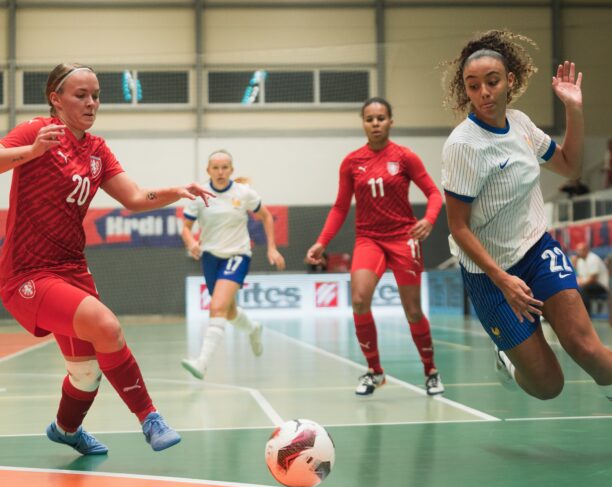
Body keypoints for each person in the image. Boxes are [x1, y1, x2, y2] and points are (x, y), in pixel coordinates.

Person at [441, 30, 612, 456]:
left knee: (583, 343)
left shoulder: (523, 126)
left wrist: (574, 111)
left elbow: (570, 166)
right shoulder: (462, 146)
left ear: (510, 79)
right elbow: (458, 228)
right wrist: (502, 280)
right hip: (488, 274)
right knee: (549, 385)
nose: (483, 93)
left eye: (492, 81)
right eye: (473, 86)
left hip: (535, 250)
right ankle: (509, 359)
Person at [0, 63, 215, 454]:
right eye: (80, 95)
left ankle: (66, 429)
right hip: (28, 273)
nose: (91, 102)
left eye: (96, 95)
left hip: (72, 270)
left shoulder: (96, 150)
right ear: (56, 99)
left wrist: (177, 189)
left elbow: (134, 198)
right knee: (107, 327)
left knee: (85, 374)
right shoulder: (37, 131)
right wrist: (31, 152)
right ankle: (150, 417)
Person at [306, 97, 445, 396]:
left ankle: (430, 370)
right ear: (363, 123)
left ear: (391, 121)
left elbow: (434, 193)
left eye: (381, 118)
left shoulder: (406, 157)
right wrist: (321, 242)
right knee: (358, 299)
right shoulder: (352, 162)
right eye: (370, 118)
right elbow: (341, 207)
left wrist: (430, 220)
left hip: (403, 239)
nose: (376, 123)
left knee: (412, 310)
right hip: (368, 239)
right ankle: (375, 371)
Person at [179, 150, 286, 379]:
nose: (220, 172)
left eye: (225, 167)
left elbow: (266, 216)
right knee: (228, 312)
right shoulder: (199, 196)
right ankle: (253, 329)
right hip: (210, 257)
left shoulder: (244, 193)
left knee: (217, 307)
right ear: (208, 170)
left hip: (237, 255)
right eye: (215, 168)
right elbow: (186, 229)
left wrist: (272, 247)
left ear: (231, 170)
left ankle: (202, 363)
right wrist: (191, 243)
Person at [574, 243, 609, 315]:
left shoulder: (593, 258)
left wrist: (580, 284)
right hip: (588, 284)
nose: (578, 252)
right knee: (575, 289)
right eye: (577, 250)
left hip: (601, 285)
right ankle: (578, 314)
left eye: (580, 250)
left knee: (582, 289)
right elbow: (580, 277)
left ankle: (587, 315)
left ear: (586, 250)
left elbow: (593, 279)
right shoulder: (580, 261)